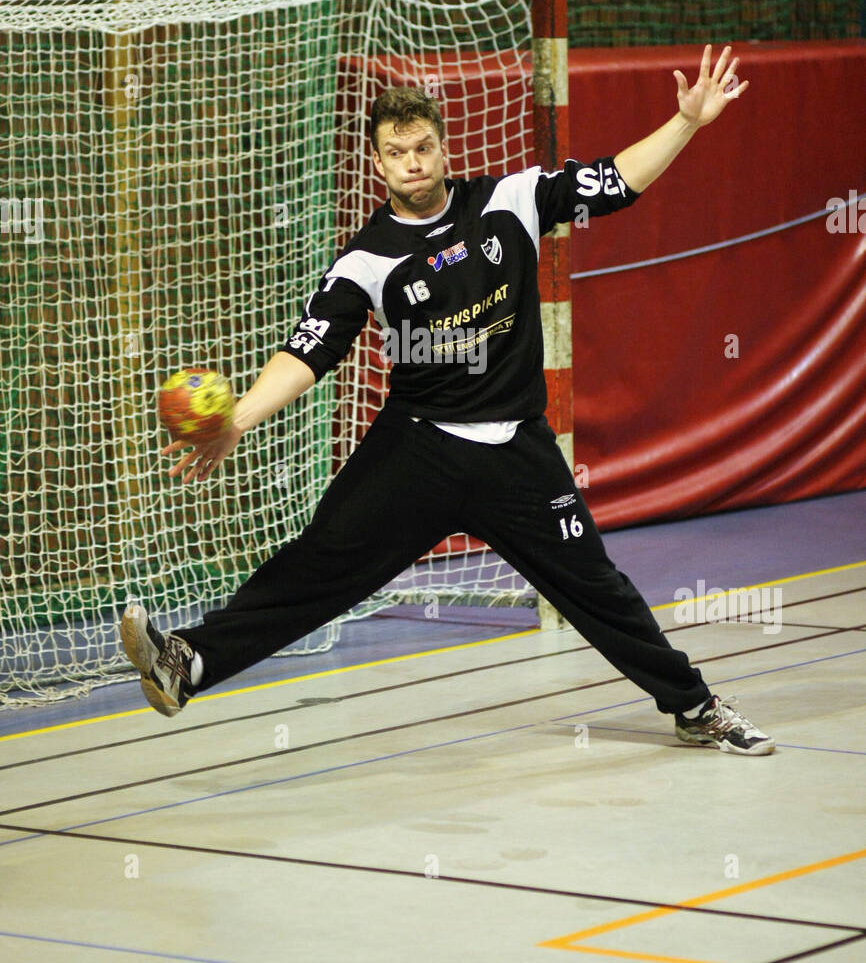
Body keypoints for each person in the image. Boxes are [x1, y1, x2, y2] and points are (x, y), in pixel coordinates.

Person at [120, 43, 774, 756]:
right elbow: (309, 351)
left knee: (599, 590)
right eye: (396, 152)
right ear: (377, 164)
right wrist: (237, 418)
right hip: (418, 448)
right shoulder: (366, 259)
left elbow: (614, 183)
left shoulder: (509, 201)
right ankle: (189, 661)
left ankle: (695, 706)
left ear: (442, 147)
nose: (413, 161)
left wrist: (687, 123)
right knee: (317, 566)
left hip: (516, 451)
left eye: (423, 146)